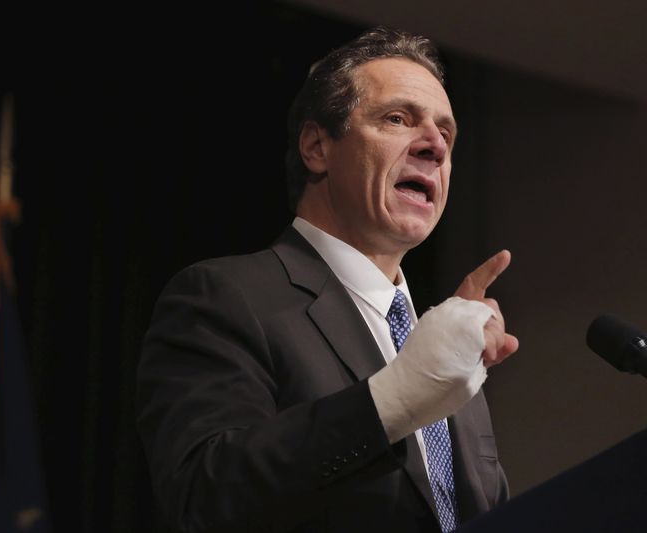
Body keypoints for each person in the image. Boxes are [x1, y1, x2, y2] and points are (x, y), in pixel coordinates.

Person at [135, 25, 519, 533]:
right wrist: (395, 397)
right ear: (317, 147)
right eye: (398, 119)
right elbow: (203, 494)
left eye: (446, 133)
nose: (435, 146)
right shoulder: (226, 298)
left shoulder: (444, 350)